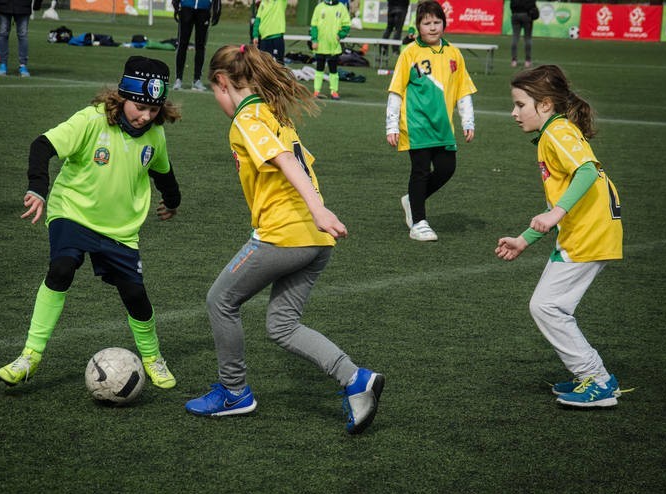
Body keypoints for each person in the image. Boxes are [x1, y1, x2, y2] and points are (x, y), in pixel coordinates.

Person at [185, 44, 384, 435]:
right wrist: (319, 215)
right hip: (315, 240)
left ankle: (233, 391)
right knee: (283, 325)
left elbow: (286, 160)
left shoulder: (248, 118)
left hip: (286, 233)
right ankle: (357, 380)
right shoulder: (276, 116)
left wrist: (317, 209)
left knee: (220, 300)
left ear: (223, 82)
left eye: (214, 91)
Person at [0, 56, 182, 390]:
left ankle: (153, 358)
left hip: (120, 228)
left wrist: (172, 201)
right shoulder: (91, 120)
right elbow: (42, 145)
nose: (146, 116)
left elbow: (163, 173)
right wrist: (38, 189)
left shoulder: (154, 135)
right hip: (73, 211)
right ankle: (30, 356)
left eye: (154, 110)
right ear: (123, 96)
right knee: (62, 269)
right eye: (140, 107)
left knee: (135, 294)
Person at [496, 65, 623, 407]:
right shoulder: (555, 132)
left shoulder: (557, 133)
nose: (514, 112)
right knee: (551, 306)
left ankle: (596, 379)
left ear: (546, 105)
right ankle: (592, 377)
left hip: (589, 233)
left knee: (546, 306)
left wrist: (556, 213)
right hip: (585, 231)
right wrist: (524, 239)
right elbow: (564, 195)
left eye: (520, 104)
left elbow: (586, 171)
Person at [386, 0, 476, 241]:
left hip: (444, 126)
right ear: (418, 26)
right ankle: (419, 222)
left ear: (444, 24)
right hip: (416, 125)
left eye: (437, 22)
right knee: (421, 171)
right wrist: (392, 125)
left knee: (447, 169)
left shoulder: (453, 53)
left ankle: (412, 200)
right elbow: (396, 91)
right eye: (427, 23)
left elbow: (463, 90)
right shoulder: (409, 53)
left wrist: (468, 121)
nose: (433, 27)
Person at [171, 0, 221, 91]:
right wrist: (176, 4)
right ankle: (178, 79)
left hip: (204, 9)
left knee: (201, 46)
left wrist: (217, 10)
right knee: (182, 44)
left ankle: (197, 80)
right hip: (186, 7)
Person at [0, 0, 42, 77]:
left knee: (22, 35)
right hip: (4, 5)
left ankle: (22, 65)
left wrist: (37, 3)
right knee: (4, 34)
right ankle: (3, 64)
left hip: (22, 6)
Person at [310, 0, 351, 100]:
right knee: (319, 69)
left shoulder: (341, 7)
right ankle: (316, 91)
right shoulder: (319, 7)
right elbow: (314, 25)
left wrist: (340, 35)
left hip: (333, 47)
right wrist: (314, 40)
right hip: (320, 46)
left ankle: (334, 92)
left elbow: (347, 25)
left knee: (333, 70)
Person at [251, 0, 287, 64]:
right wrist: (255, 35)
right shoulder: (262, 3)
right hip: (264, 39)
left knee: (278, 62)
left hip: (277, 37)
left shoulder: (279, 2)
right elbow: (257, 20)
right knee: (264, 63)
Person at [509, 0, 537, 68]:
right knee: (527, 38)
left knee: (515, 38)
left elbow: (511, 5)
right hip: (526, 15)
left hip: (515, 15)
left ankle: (514, 61)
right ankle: (527, 61)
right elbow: (532, 4)